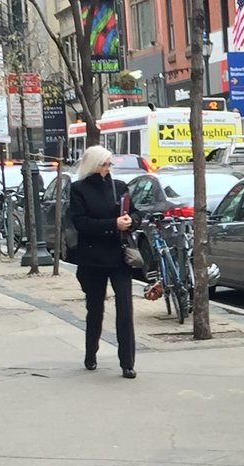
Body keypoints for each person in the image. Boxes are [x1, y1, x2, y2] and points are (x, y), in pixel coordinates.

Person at [69, 145, 141, 379]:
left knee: (125, 310)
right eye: (103, 164)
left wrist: (131, 220)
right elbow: (81, 223)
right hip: (93, 259)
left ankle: (127, 362)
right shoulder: (79, 189)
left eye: (110, 164)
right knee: (95, 309)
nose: (107, 169)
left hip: (119, 256)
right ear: (93, 165)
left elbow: (136, 213)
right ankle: (91, 353)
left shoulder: (118, 187)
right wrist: (113, 224)